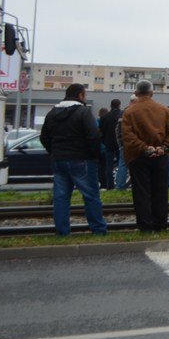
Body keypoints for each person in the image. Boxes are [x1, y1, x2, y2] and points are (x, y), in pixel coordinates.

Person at [40, 83, 108, 236]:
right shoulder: (83, 112)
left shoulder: (52, 113)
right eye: (85, 95)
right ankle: (98, 230)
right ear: (80, 95)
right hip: (82, 159)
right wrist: (94, 155)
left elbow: (44, 137)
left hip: (59, 160)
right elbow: (94, 136)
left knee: (61, 197)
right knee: (91, 196)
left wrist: (54, 152)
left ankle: (62, 232)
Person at [120, 80, 169, 232]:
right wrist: (164, 147)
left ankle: (145, 226)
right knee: (160, 191)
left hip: (137, 156)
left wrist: (145, 148)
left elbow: (127, 136)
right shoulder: (165, 110)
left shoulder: (129, 112)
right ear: (152, 93)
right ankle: (160, 224)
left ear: (136, 93)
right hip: (160, 156)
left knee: (141, 192)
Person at [98, 99, 123, 191]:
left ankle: (109, 185)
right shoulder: (121, 115)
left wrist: (104, 140)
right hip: (119, 143)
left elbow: (101, 131)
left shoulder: (105, 117)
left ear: (111, 105)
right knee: (121, 164)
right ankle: (120, 184)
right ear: (119, 105)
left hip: (108, 143)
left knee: (108, 165)